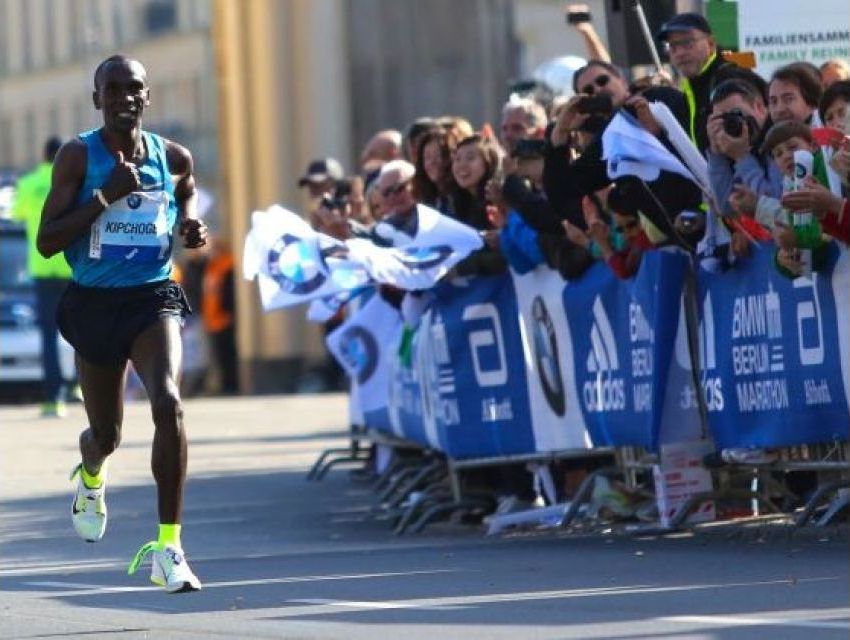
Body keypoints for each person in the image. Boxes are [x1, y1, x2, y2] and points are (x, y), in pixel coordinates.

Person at [37, 55, 207, 592]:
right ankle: (91, 473)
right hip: (94, 302)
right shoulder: (76, 157)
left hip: (151, 296)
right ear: (98, 100)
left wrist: (189, 220)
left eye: (134, 89)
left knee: (168, 402)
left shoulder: (169, 155)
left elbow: (186, 184)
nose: (124, 99)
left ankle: (169, 547)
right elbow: (47, 239)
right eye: (113, 91)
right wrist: (105, 195)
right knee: (107, 434)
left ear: (147, 97)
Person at [11, 136, 75, 417]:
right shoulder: (74, 180)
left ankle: (53, 398)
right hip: (71, 266)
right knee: (81, 331)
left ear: (42, 155)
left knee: (48, 336)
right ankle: (79, 386)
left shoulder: (27, 184)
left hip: (41, 267)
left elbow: (16, 216)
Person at [656, 12, 740, 153]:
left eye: (688, 43)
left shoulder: (731, 82)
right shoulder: (690, 89)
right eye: (673, 46)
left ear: (711, 44)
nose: (680, 53)